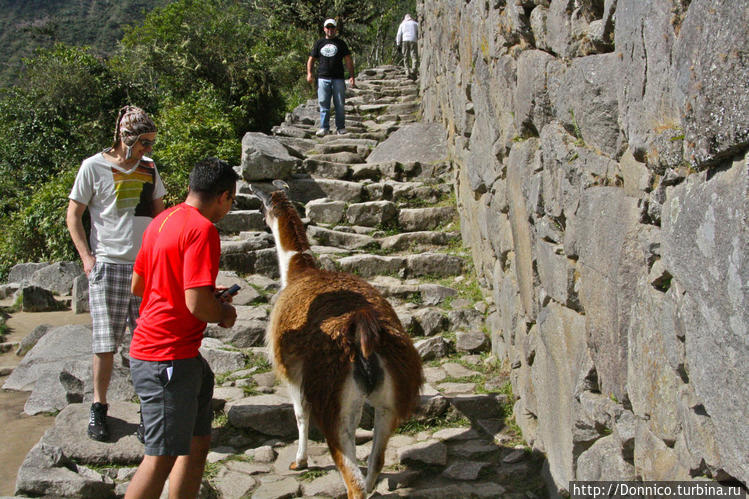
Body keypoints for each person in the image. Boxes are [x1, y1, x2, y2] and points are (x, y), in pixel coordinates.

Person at [124, 157, 238, 499]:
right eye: (231, 201)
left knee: (196, 443)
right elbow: (197, 305)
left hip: (176, 355)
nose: (229, 208)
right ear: (224, 196)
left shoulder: (161, 221)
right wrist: (224, 311)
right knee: (160, 459)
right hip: (165, 358)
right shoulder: (203, 229)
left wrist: (201, 293)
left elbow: (139, 286)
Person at [66, 105, 166, 442]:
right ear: (127, 138)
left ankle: (148, 411)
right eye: (144, 142)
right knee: (105, 343)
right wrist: (87, 258)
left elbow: (159, 217)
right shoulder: (92, 167)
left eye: (151, 142)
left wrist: (162, 259)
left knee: (146, 342)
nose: (148, 148)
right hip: (107, 264)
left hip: (145, 268)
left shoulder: (149, 167)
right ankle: (99, 407)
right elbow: (74, 215)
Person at [307, 17, 356, 137]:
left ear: (336, 29)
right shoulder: (319, 43)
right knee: (324, 104)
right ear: (324, 29)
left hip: (338, 78)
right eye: (328, 27)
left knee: (340, 104)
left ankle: (340, 128)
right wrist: (309, 73)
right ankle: (324, 128)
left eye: (332, 27)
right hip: (323, 78)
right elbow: (311, 59)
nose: (330, 29)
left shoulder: (341, 43)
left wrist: (351, 76)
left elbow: (348, 60)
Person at [396, 14, 419, 79]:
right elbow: (419, 31)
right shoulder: (415, 23)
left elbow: (399, 34)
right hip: (413, 40)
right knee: (414, 56)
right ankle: (414, 70)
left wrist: (398, 44)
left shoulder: (402, 24)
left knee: (406, 56)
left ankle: (407, 72)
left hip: (405, 40)